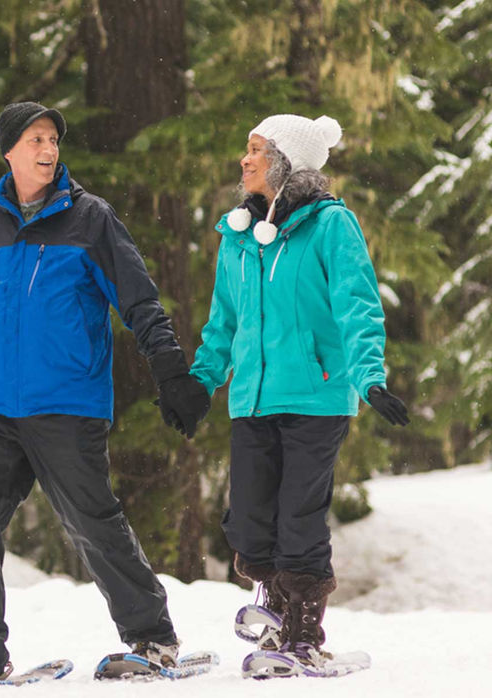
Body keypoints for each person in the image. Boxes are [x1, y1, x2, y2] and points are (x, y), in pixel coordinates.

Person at [0, 101, 211, 683]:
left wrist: (170, 370)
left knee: (92, 523)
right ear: (9, 149)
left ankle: (153, 638)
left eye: (53, 139)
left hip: (66, 400)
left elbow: (138, 300)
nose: (48, 149)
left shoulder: (89, 218)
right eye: (35, 139)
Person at [188, 114, 410, 672]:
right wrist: (201, 380)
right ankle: (275, 614)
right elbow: (223, 322)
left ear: (285, 162)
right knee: (247, 521)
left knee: (299, 518)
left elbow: (356, 305)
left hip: (315, 396)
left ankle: (304, 632)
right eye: (246, 148)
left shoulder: (331, 225)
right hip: (253, 399)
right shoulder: (238, 235)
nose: (245, 159)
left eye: (257, 149)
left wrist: (369, 376)